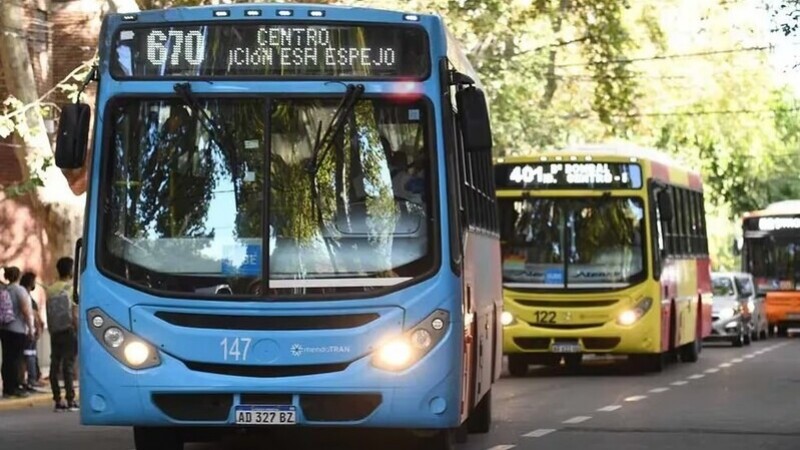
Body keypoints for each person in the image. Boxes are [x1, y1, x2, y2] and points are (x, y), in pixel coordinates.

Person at [46, 257, 78, 412]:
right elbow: (75, 313)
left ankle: (57, 400)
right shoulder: (72, 289)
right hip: (68, 330)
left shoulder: (50, 289)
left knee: (55, 365)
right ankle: (71, 400)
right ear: (71, 270)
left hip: (55, 331)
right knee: (68, 366)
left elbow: (48, 311)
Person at [0, 266, 35, 399]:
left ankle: (7, 388)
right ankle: (15, 387)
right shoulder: (19, 290)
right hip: (18, 329)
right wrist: (31, 328)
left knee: (7, 359)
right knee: (16, 359)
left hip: (4, 328)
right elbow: (25, 310)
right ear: (18, 276)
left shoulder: (4, 289)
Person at [20, 272, 44, 392]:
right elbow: (32, 314)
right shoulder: (25, 295)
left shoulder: (25, 294)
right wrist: (36, 327)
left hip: (27, 329)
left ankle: (31, 378)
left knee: (29, 355)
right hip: (28, 329)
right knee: (30, 355)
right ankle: (32, 379)